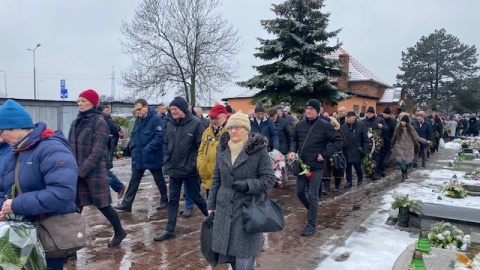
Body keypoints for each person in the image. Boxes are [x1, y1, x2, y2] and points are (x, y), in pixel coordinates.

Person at [0, 99, 78, 269]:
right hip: (24, 234)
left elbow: (62, 192)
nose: (1, 137)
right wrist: (3, 207)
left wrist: (16, 205)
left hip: (48, 233)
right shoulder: (15, 153)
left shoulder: (52, 148)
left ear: (16, 127)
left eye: (2, 131)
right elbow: (4, 189)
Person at [207, 112, 274, 270]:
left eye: (237, 127)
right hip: (225, 207)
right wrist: (211, 203)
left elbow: (269, 179)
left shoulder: (258, 150)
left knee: (244, 253)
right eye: (230, 128)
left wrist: (247, 185)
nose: (233, 131)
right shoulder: (222, 148)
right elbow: (217, 177)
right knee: (229, 252)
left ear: (246, 129)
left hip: (248, 208)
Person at [68, 89, 127, 248]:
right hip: (77, 172)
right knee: (74, 209)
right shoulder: (75, 122)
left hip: (94, 173)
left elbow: (98, 151)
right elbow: (70, 147)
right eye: (79, 100)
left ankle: (119, 231)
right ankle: (72, 246)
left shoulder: (99, 121)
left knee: (104, 206)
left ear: (93, 103)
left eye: (84, 101)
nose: (80, 104)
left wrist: (81, 171)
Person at [154, 96, 208, 241]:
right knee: (173, 200)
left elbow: (200, 147)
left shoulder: (196, 124)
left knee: (197, 198)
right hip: (174, 168)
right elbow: (166, 143)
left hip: (189, 170)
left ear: (183, 109)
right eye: (170, 109)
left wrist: (193, 164)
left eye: (175, 109)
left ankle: (214, 220)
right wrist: (167, 159)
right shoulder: (170, 124)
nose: (172, 112)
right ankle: (170, 229)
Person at [288, 99, 342, 236]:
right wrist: (293, 150)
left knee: (313, 194)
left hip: (317, 165)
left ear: (317, 111)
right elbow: (294, 139)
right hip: (302, 164)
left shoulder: (325, 125)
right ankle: (312, 210)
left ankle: (311, 224)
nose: (308, 111)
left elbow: (338, 141)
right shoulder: (299, 125)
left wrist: (324, 155)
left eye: (311, 109)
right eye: (307, 108)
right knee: (300, 192)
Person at [114, 99, 168, 212]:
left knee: (159, 179)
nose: (138, 112)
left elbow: (159, 137)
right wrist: (132, 148)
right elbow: (134, 135)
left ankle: (164, 199)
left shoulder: (156, 119)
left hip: (152, 156)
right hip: (139, 157)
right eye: (136, 109)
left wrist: (147, 149)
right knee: (134, 181)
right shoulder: (138, 120)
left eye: (140, 109)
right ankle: (126, 204)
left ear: (146, 107)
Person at [197, 104, 230, 199]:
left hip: (223, 178)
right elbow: (201, 150)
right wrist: (200, 164)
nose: (213, 121)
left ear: (224, 117)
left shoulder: (230, 131)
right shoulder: (207, 132)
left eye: (216, 118)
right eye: (211, 118)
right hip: (208, 177)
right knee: (211, 207)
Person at [98, 103, 126, 199]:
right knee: (102, 171)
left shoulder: (103, 118)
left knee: (102, 171)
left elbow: (115, 130)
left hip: (103, 148)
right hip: (102, 148)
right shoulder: (102, 117)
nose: (108, 111)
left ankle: (118, 186)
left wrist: (114, 143)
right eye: (106, 109)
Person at [392, 114, 430, 181]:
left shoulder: (410, 128)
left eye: (404, 122)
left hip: (408, 147)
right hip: (399, 147)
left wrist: (426, 141)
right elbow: (395, 136)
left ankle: (405, 173)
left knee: (406, 162)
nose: (402, 123)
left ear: (407, 122)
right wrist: (392, 143)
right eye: (401, 121)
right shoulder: (398, 127)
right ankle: (403, 175)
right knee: (401, 161)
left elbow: (416, 137)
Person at [340, 111, 369, 188]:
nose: (347, 119)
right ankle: (349, 181)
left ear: (354, 117)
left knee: (357, 166)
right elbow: (341, 137)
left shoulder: (361, 125)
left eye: (348, 117)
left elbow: (365, 139)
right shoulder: (344, 126)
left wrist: (364, 149)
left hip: (357, 149)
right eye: (346, 117)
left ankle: (360, 178)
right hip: (347, 149)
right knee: (348, 166)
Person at [322, 117, 347, 194]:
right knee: (326, 171)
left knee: (338, 170)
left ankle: (337, 187)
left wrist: (335, 148)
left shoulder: (339, 131)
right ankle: (326, 189)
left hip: (337, 154)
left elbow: (344, 142)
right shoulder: (323, 131)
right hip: (326, 153)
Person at [362, 106, 387, 180]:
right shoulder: (363, 121)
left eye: (370, 113)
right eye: (367, 113)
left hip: (376, 143)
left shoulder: (379, 120)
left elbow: (386, 128)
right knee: (368, 157)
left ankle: (375, 172)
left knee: (376, 157)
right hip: (367, 142)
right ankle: (369, 171)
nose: (368, 115)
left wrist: (381, 126)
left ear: (373, 113)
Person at [380, 107, 397, 175]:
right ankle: (381, 167)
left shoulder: (393, 121)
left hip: (388, 139)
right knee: (381, 154)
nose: (386, 115)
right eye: (385, 113)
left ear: (390, 114)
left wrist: (392, 139)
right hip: (380, 139)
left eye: (388, 114)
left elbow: (393, 131)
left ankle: (384, 165)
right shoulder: (380, 119)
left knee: (387, 152)